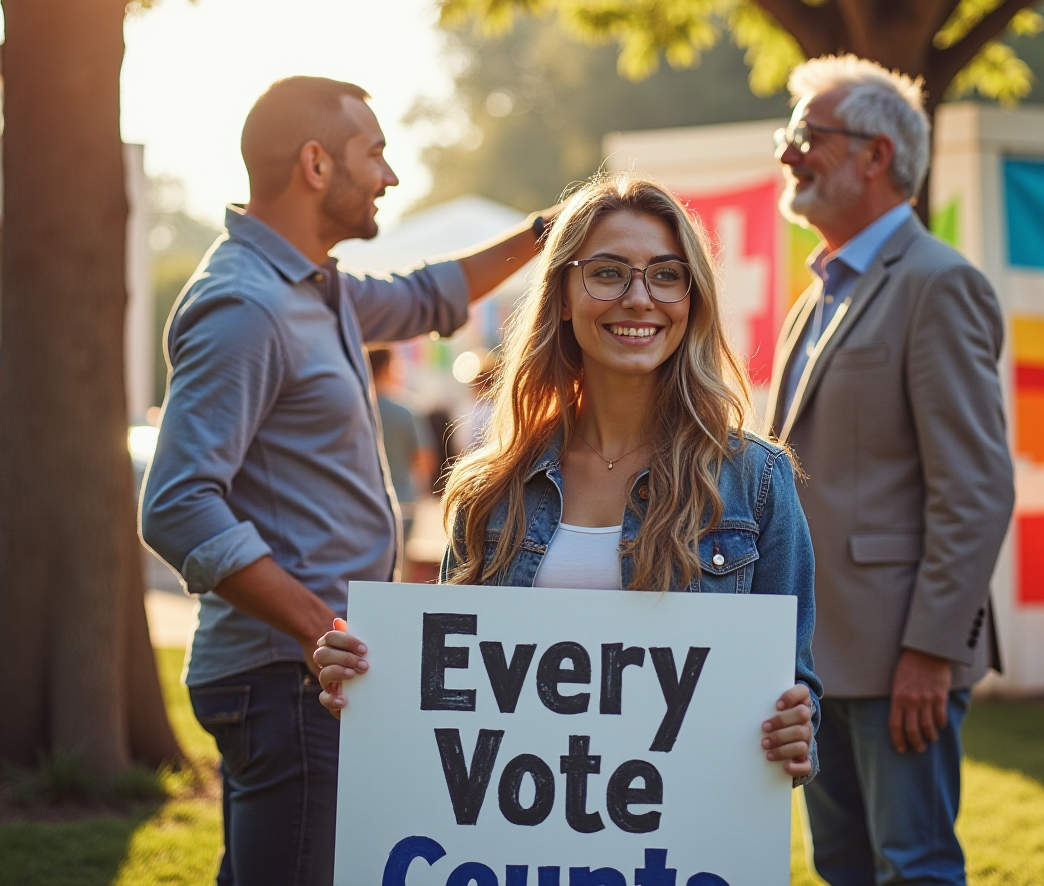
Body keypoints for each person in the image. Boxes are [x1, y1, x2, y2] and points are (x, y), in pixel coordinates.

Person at [140, 75, 556, 886]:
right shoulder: (246, 304)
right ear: (316, 165)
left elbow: (426, 296)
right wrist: (313, 627)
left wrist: (548, 232)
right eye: (376, 154)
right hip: (287, 679)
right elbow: (177, 504)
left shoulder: (315, 286)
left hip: (302, 675)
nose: (390, 177)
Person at [315, 173, 822, 787]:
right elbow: (447, 689)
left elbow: (791, 688)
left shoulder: (758, 482)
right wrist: (371, 681)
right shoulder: (489, 487)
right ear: (561, 294)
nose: (640, 297)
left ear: (693, 300)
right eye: (607, 272)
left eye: (666, 275)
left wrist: (797, 731)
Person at [765, 54, 1013, 886]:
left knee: (913, 868)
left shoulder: (940, 285)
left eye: (808, 136)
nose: (788, 153)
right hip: (812, 654)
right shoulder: (818, 293)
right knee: (841, 867)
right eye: (788, 135)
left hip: (900, 655)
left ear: (876, 154)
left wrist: (929, 653)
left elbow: (974, 489)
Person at [366, 346, 437, 547]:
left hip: (365, 504)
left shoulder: (358, 411)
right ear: (387, 367)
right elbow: (426, 460)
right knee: (399, 571)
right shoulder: (406, 410)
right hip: (403, 503)